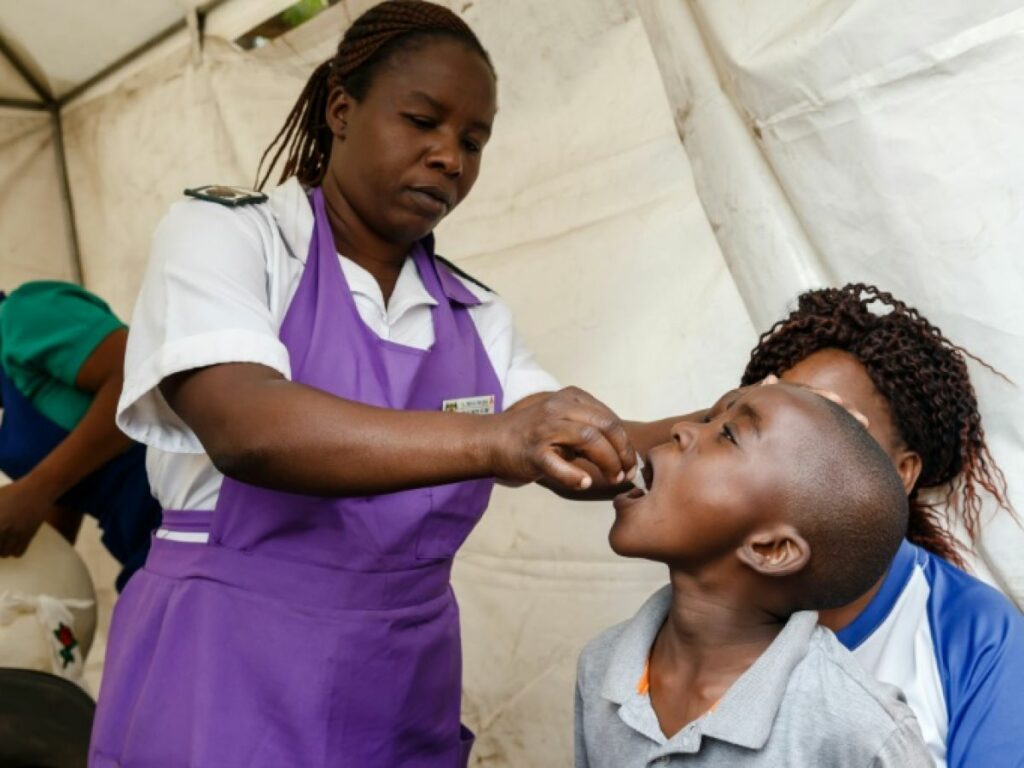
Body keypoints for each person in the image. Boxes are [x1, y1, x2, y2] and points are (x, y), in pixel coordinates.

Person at [90, 3, 676, 765]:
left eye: (473, 141)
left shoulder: (475, 310)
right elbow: (247, 429)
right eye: (422, 121)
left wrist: (748, 413)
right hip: (229, 664)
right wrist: (495, 438)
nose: (449, 158)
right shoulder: (232, 237)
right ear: (341, 109)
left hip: (402, 679)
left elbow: (565, 436)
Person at [735, 283, 1024, 767]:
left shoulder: (976, 632)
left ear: (902, 471)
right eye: (773, 420)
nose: (792, 452)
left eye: (835, 425)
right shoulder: (713, 596)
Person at [575, 382, 932, 767]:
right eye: (713, 418)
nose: (682, 428)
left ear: (770, 549)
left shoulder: (862, 731)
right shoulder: (602, 667)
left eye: (727, 434)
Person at [0, 282, 161, 589]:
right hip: (142, 539)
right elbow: (67, 491)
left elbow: (137, 379)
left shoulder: (22, 315)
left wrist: (34, 489)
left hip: (192, 509)